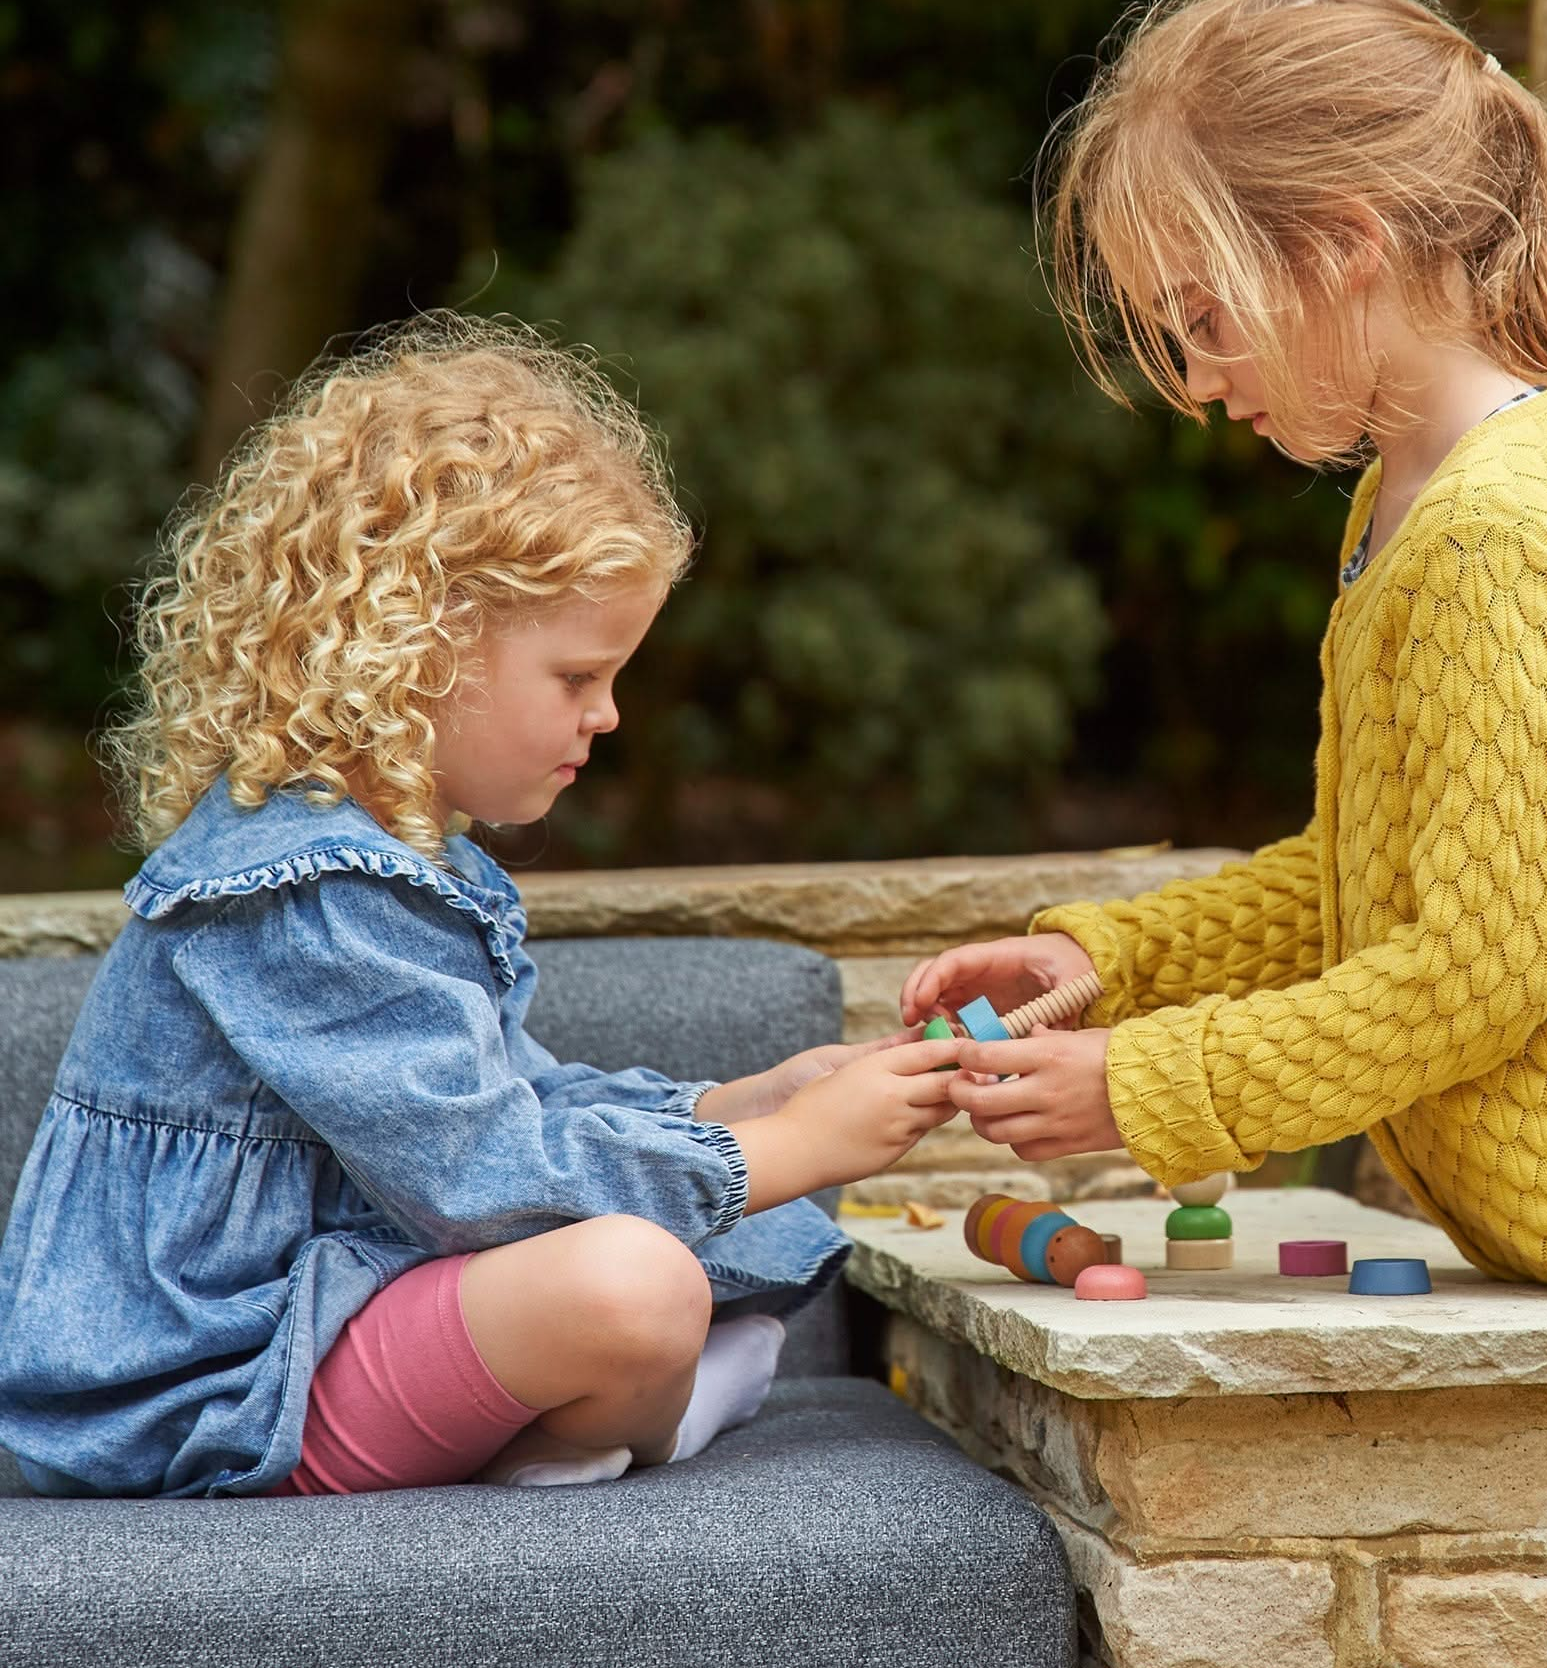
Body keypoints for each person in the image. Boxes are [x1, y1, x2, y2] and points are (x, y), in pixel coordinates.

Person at [902, 0, 1547, 1668]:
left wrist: (1145, 1094)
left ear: (1346, 246)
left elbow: (1472, 975)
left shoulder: (1494, 530)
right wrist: (1108, 960)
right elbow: (1370, 879)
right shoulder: (1414, 492)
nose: (1199, 383)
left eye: (1203, 320)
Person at [0, 316, 955, 1500]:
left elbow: (509, 1100)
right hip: (205, 1387)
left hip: (327, 1320)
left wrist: (731, 1103)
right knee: (635, 1284)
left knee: (652, 1272)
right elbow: (489, 1175)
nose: (606, 717)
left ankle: (579, 1425)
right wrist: (784, 1150)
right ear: (416, 644)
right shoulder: (302, 889)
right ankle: (637, 1418)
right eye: (578, 676)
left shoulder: (406, 863)